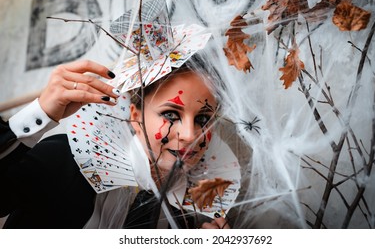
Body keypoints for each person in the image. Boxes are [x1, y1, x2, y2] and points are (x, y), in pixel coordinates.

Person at [0, 58, 232, 229]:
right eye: (171, 115)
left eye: (203, 119)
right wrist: (37, 114)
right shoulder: (67, 160)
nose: (190, 135)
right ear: (135, 116)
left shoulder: (187, 219)